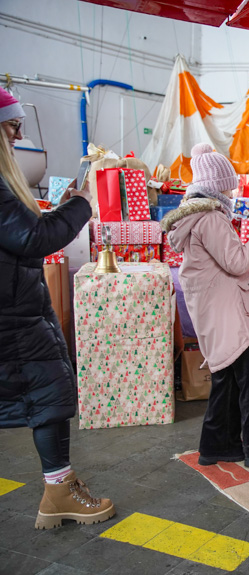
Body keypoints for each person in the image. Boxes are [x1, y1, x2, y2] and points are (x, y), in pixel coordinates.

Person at [0, 87, 115, 529]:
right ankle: (59, 491)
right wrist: (84, 201)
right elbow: (34, 237)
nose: (19, 133)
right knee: (49, 395)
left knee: (48, 394)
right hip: (14, 319)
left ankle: (60, 489)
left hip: (19, 310)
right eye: (12, 125)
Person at [164, 143, 249, 469]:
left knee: (227, 378)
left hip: (213, 309)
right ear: (217, 185)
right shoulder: (210, 218)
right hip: (227, 313)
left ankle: (216, 446)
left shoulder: (194, 216)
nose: (233, 191)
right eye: (228, 184)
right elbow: (237, 262)